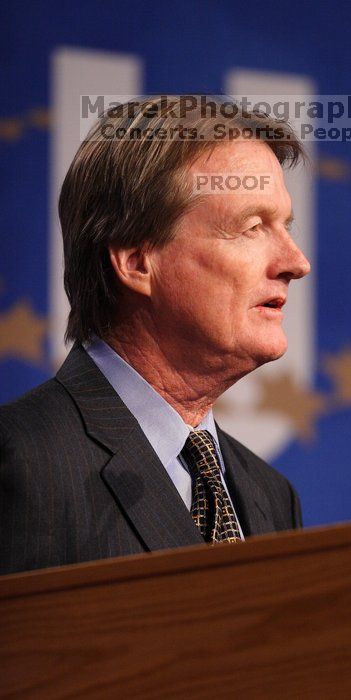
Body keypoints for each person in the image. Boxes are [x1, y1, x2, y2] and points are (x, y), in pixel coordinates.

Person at [0, 96, 310, 575]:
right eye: (252, 227)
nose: (296, 262)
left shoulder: (270, 495)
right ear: (137, 261)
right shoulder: (20, 464)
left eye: (285, 227)